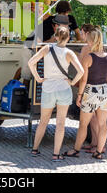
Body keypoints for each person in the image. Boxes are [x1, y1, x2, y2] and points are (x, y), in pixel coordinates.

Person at [27, 27, 84, 161]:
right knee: (60, 124)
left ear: (56, 37)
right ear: (68, 38)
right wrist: (71, 81)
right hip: (63, 89)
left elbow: (31, 63)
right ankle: (56, 154)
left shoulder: (47, 48)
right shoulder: (69, 53)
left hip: (48, 89)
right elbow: (81, 71)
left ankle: (35, 149)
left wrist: (38, 78)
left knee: (43, 121)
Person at [63, 28, 107, 160]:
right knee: (102, 124)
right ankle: (99, 152)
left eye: (87, 40)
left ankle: (76, 150)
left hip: (90, 92)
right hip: (104, 92)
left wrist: (80, 95)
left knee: (83, 124)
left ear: (91, 41)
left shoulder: (88, 58)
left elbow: (83, 79)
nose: (86, 42)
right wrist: (103, 78)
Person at [19, 13, 71, 87]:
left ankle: (14, 84)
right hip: (29, 48)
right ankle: (23, 95)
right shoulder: (44, 28)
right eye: (65, 26)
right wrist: (52, 40)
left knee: (25, 70)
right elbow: (35, 45)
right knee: (27, 75)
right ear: (56, 25)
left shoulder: (58, 30)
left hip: (37, 51)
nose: (66, 28)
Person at [77, 24, 105, 153]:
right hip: (101, 88)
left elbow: (82, 67)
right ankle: (97, 144)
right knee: (98, 120)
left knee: (90, 119)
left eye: (82, 33)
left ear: (87, 34)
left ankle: (94, 144)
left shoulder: (86, 49)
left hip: (89, 87)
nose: (81, 36)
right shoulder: (101, 49)